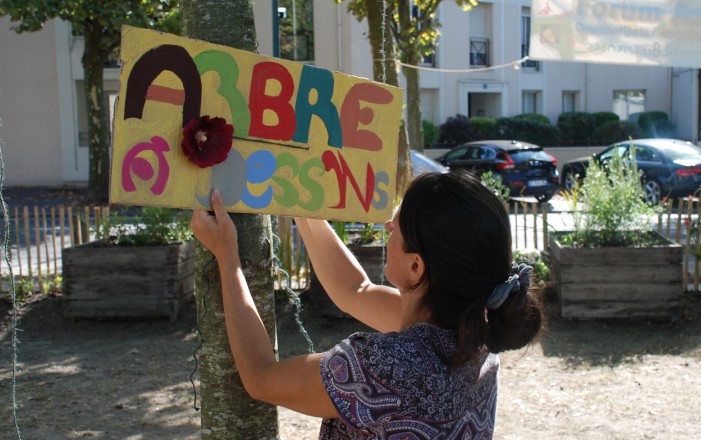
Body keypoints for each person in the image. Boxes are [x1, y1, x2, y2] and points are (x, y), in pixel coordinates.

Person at [190, 170, 546, 439]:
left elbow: (261, 378)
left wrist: (227, 255)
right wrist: (301, 207)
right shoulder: (478, 338)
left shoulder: (381, 366)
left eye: (396, 228)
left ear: (416, 267)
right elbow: (354, 290)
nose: (388, 225)